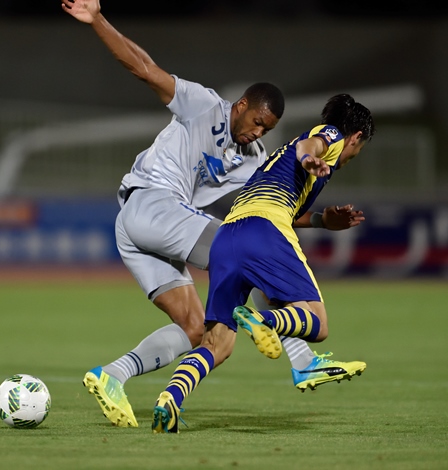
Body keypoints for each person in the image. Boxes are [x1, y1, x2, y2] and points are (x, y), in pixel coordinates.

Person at [62, 0, 365, 428]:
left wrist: (318, 221)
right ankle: (303, 360)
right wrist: (97, 20)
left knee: (195, 328)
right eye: (256, 122)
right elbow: (145, 69)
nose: (258, 133)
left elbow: (267, 204)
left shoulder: (252, 157)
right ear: (241, 105)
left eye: (266, 129)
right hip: (151, 201)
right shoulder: (203, 104)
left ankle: (112, 375)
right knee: (247, 252)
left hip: (145, 227)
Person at [151, 94, 375, 433]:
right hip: (264, 230)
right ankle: (262, 319)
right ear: (356, 137)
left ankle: (170, 398)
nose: (355, 154)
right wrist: (309, 159)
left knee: (217, 344)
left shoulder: (280, 159)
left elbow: (291, 209)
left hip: (227, 237)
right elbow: (311, 146)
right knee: (317, 323)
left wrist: (322, 221)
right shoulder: (331, 136)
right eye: (360, 148)